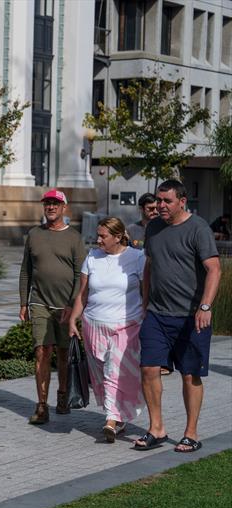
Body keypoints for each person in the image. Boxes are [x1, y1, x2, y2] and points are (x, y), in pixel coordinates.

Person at [134, 180, 221, 453]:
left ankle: (191, 433)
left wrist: (205, 307)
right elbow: (149, 266)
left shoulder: (198, 229)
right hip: (157, 315)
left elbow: (214, 269)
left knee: (189, 374)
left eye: (166, 201)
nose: (160, 206)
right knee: (148, 369)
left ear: (182, 201)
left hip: (190, 316)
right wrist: (145, 302)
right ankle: (156, 428)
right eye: (158, 200)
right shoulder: (154, 228)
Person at [69, 217, 146, 443]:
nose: (98, 240)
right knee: (102, 375)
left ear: (118, 237)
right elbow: (83, 294)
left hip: (127, 324)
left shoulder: (137, 258)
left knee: (114, 370)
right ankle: (118, 416)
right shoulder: (92, 257)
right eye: (98, 235)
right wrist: (74, 319)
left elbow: (147, 291)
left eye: (103, 236)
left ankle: (110, 421)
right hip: (93, 324)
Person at [19, 189, 86, 424]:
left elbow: (81, 275)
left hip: (66, 305)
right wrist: (23, 302)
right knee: (41, 350)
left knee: (64, 353)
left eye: (55, 204)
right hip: (39, 302)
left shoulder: (74, 238)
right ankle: (41, 405)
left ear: (64, 208)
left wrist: (72, 305)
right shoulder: (34, 234)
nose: (50, 207)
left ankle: (63, 394)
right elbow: (26, 270)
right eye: (47, 203)